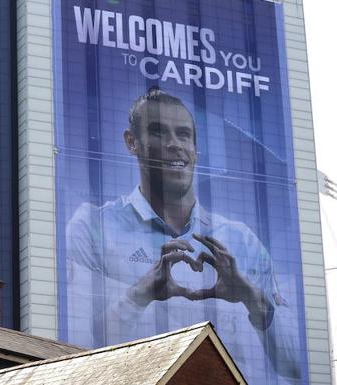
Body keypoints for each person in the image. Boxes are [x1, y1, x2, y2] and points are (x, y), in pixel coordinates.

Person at [66, 87, 302, 383]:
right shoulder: (92, 227)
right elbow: (72, 352)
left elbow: (296, 367)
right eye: (158, 133)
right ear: (132, 142)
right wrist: (139, 294)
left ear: (196, 150)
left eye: (183, 135)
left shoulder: (243, 240)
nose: (174, 145)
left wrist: (253, 300)